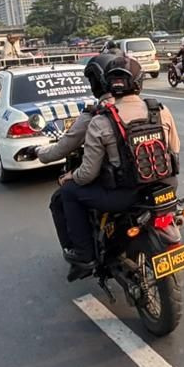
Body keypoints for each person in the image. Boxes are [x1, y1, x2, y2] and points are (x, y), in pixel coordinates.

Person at [49, 56, 180, 278]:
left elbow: (87, 174)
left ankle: (85, 255)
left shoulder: (101, 119)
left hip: (125, 196)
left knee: (69, 192)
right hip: (166, 186)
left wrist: (71, 176)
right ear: (139, 82)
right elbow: (174, 149)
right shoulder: (160, 110)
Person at [17, 53, 118, 267]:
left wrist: (40, 152)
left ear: (96, 83)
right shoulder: (153, 108)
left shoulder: (97, 116)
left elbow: (71, 156)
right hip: (156, 184)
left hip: (118, 187)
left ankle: (83, 253)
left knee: (65, 194)